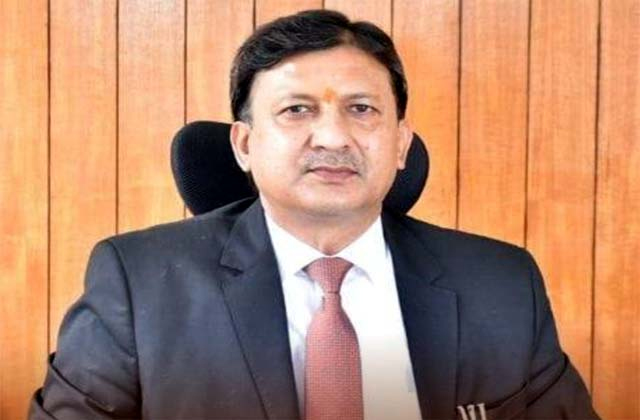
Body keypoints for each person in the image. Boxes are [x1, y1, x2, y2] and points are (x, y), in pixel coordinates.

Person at [30, 9, 600, 420]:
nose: (333, 136)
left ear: (401, 144)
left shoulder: (502, 284)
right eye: (297, 110)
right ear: (244, 145)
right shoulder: (139, 283)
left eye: (362, 109)